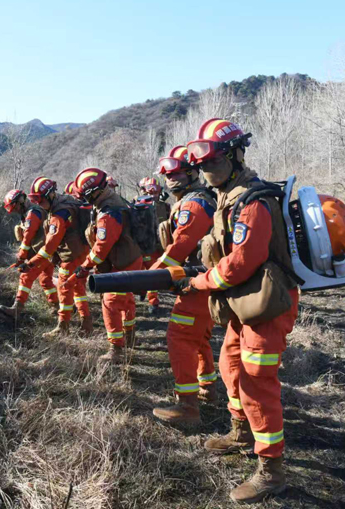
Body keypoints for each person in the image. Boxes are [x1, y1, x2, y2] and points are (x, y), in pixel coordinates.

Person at [180, 118, 298, 503]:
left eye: (213, 162)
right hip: (244, 303)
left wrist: (201, 281)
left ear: (235, 156)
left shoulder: (252, 201)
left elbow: (242, 262)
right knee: (230, 367)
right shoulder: (228, 195)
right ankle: (241, 432)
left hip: (266, 305)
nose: (205, 170)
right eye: (202, 165)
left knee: (256, 382)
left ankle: (271, 470)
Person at [149, 146, 217, 423]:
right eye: (166, 174)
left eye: (175, 173)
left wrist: (152, 275)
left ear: (192, 172)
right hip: (206, 279)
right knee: (199, 338)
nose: (169, 179)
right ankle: (208, 388)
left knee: (180, 337)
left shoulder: (193, 204)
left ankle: (187, 406)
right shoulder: (198, 199)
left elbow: (181, 246)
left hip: (198, 281)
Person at [73, 167, 143, 363]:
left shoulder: (108, 213)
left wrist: (85, 266)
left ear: (94, 192)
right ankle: (130, 335)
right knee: (127, 299)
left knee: (110, 302)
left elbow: (101, 247)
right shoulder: (114, 201)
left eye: (86, 196)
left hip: (123, 262)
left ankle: (116, 350)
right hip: (130, 257)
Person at [25, 177, 93, 336]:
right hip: (81, 250)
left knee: (64, 288)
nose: (38, 205)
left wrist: (30, 263)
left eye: (40, 200)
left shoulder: (58, 215)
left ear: (50, 195)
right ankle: (86, 323)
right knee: (77, 287)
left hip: (71, 255)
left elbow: (48, 247)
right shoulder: (66, 201)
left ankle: (63, 327)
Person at [0, 188, 59, 318]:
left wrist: (20, 257)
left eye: (15, 208)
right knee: (45, 280)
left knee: (26, 276)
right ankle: (57, 305)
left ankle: (16, 309)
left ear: (21, 201)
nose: (15, 211)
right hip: (48, 252)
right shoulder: (35, 210)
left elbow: (27, 239)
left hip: (42, 253)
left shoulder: (32, 214)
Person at [136, 176, 172, 315]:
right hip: (143, 245)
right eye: (150, 192)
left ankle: (153, 302)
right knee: (142, 272)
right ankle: (142, 291)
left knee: (152, 273)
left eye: (155, 192)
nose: (152, 195)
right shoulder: (137, 205)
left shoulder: (165, 206)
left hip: (158, 246)